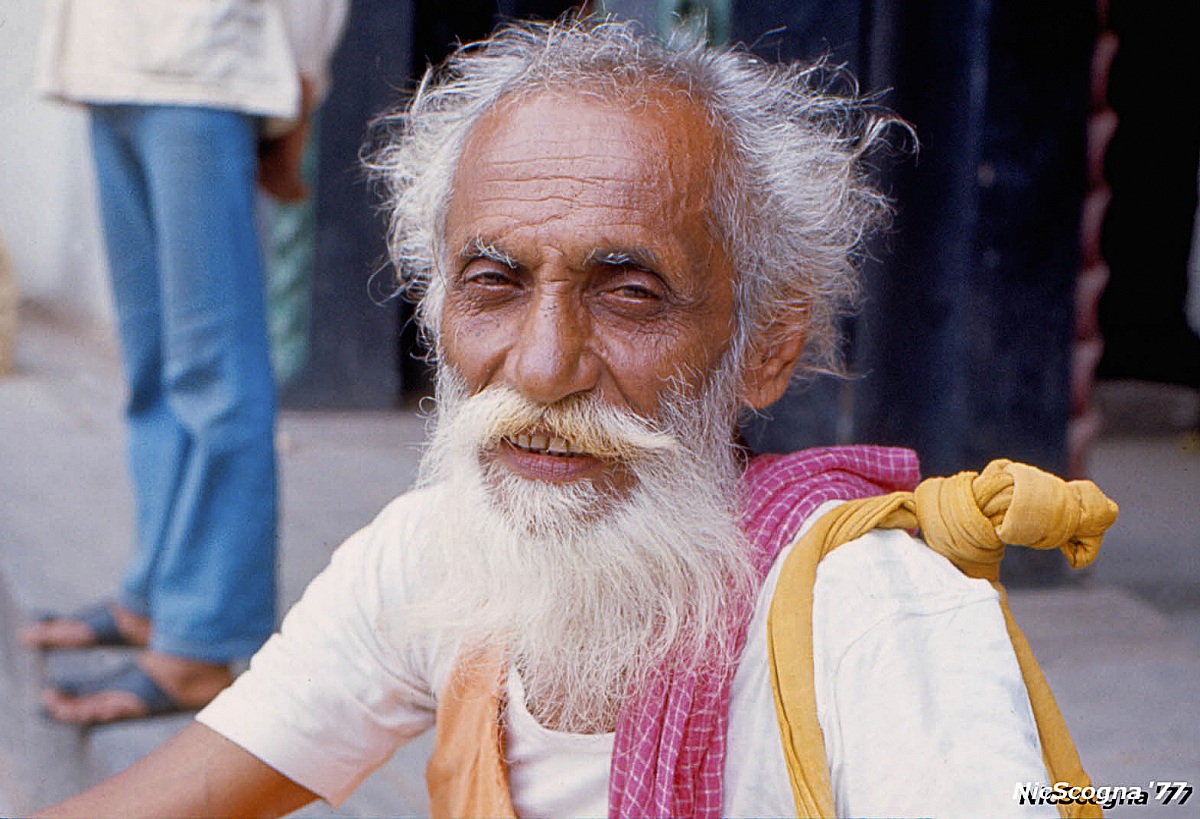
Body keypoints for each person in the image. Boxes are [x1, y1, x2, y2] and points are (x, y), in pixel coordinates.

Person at [36, 16, 1114, 818]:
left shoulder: (875, 621)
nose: (544, 367)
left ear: (768, 345)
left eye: (631, 292)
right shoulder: (437, 557)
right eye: (493, 283)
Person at [21, 0, 347, 724]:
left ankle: (202, 639)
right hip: (107, 63)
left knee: (214, 371)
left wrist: (301, 76)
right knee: (154, 364)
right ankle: (154, 595)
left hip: (206, 67)